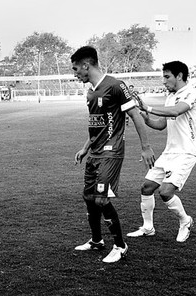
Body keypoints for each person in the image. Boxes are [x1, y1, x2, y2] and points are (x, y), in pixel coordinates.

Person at [70, 46, 154, 263]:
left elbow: (135, 116)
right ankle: (97, 241)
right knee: (89, 198)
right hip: (95, 153)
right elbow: (97, 125)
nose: (75, 73)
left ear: (86, 65)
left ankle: (120, 245)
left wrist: (146, 147)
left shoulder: (116, 86)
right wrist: (85, 147)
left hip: (112, 151)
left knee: (101, 199)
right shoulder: (90, 92)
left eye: (76, 68)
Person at [126, 61, 196, 243]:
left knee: (166, 192)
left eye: (167, 76)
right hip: (169, 153)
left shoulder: (191, 93)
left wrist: (148, 108)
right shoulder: (170, 96)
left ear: (180, 76)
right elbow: (161, 125)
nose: (163, 81)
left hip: (186, 153)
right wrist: (145, 117)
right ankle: (148, 227)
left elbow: (176, 111)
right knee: (147, 188)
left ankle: (185, 221)